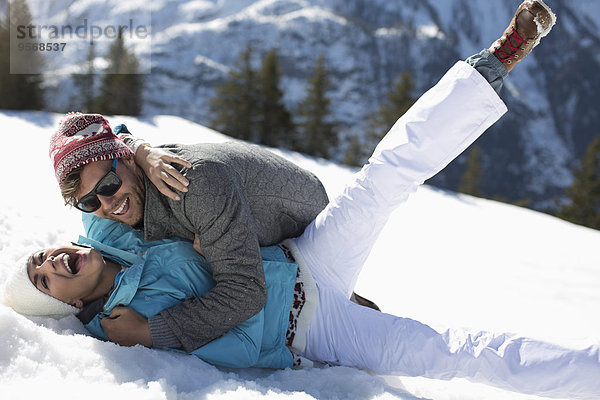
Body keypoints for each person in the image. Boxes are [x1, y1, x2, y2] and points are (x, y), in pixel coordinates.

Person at [9, 1, 598, 398]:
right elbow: (239, 327)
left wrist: (136, 150)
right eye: (44, 280)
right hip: (315, 329)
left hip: (305, 253)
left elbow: (108, 157)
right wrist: (153, 333)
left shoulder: (112, 229)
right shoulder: (118, 326)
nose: (104, 206)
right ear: (58, 306)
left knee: (382, 178)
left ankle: (491, 65)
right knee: (455, 354)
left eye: (43, 254)